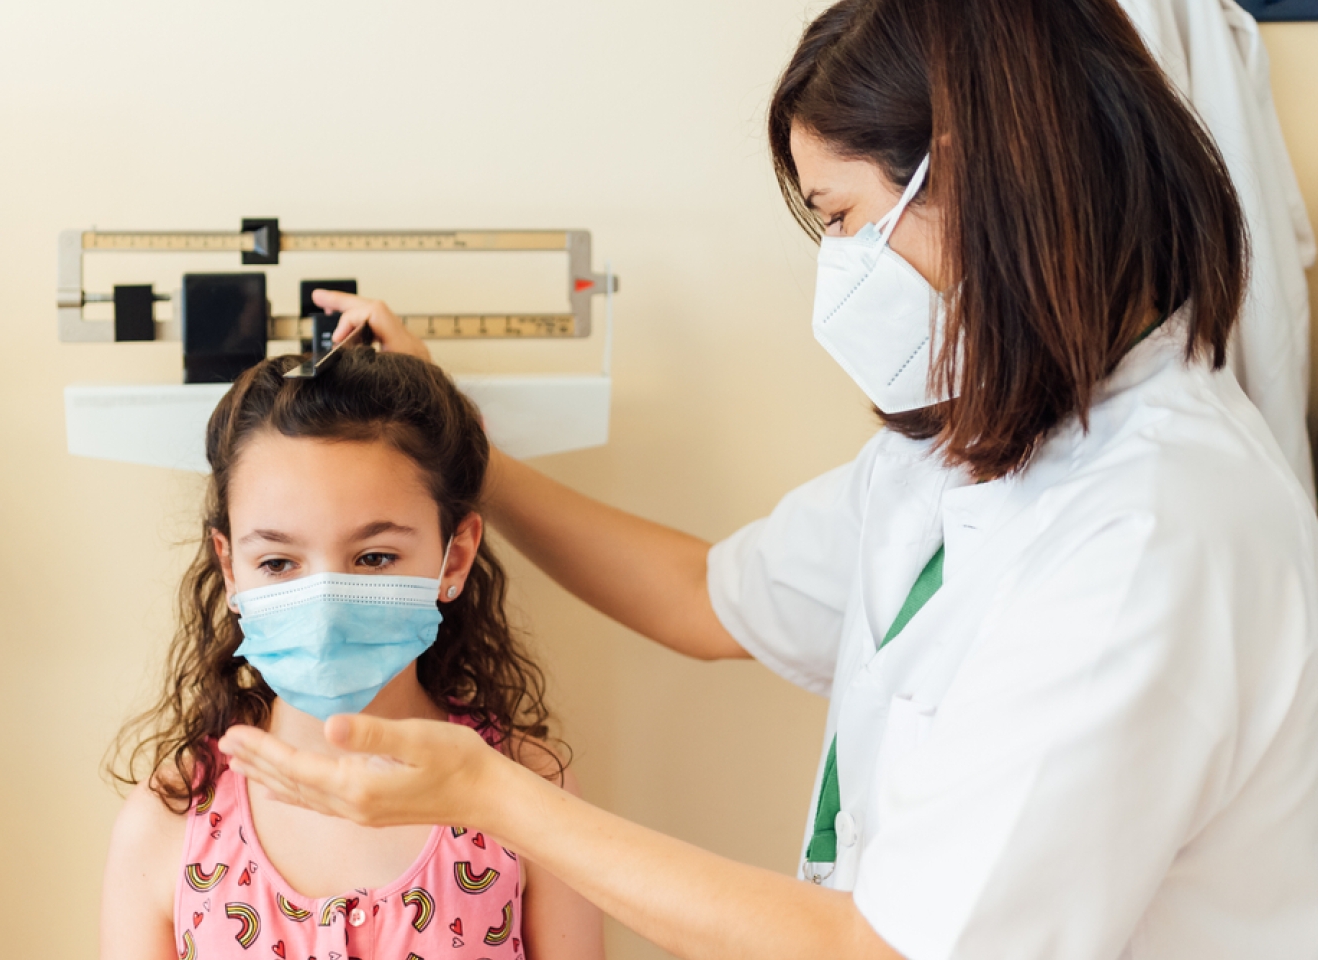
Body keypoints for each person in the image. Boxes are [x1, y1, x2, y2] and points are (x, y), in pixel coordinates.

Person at [218, 0, 1318, 957]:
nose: (835, 271)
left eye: (842, 219)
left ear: (985, 174)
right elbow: (706, 596)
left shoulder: (1157, 534)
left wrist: (487, 795)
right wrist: (466, 453)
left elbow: (887, 949)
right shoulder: (970, 448)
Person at [99, 349, 604, 960]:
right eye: (279, 562)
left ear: (457, 556)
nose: (327, 603)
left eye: (374, 558)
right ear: (230, 567)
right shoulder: (169, 819)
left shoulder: (529, 791)